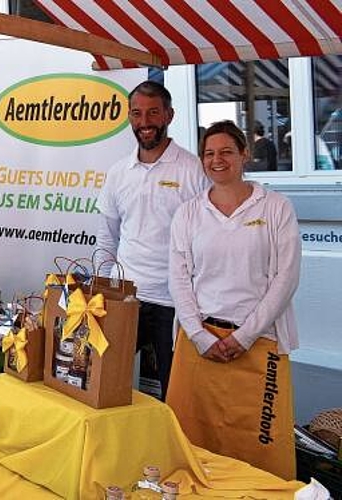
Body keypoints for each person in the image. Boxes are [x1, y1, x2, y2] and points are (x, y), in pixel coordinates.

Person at [167, 120, 300, 479]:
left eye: (226, 151)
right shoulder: (189, 213)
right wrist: (199, 335)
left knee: (261, 445)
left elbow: (285, 279)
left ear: (245, 153)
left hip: (258, 344)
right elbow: (179, 278)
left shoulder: (275, 207)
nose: (217, 160)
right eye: (209, 153)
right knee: (191, 441)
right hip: (199, 345)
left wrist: (243, 337)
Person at [96, 80, 211, 400]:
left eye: (153, 113)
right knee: (102, 381)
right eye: (137, 114)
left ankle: (174, 450)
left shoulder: (193, 170)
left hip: (175, 303)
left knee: (176, 394)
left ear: (169, 115)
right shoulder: (119, 172)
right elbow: (107, 236)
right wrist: (103, 291)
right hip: (127, 296)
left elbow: (206, 241)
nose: (144, 122)